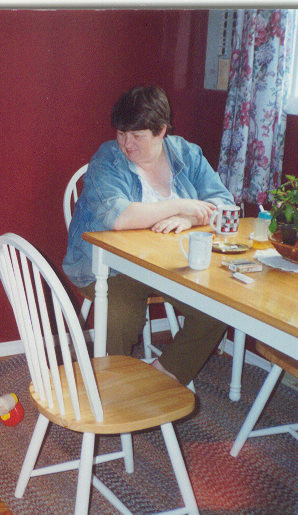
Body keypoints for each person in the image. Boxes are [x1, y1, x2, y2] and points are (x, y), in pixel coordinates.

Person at [63, 86, 235, 385]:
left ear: (161, 132)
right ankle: (111, 389)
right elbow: (118, 218)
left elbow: (225, 205)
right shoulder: (108, 158)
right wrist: (180, 204)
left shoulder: (187, 154)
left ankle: (162, 376)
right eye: (121, 133)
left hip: (168, 263)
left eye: (137, 135)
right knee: (122, 318)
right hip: (110, 266)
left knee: (217, 308)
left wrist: (188, 216)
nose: (126, 143)